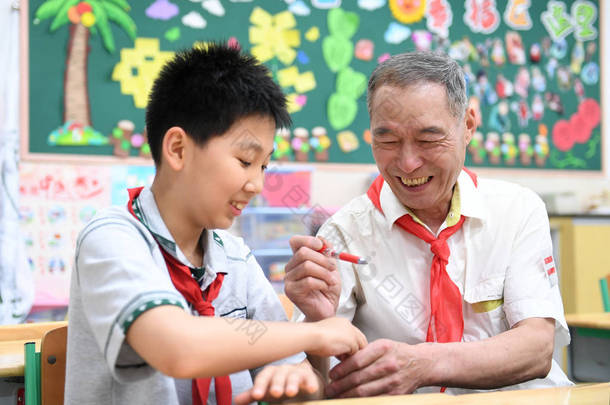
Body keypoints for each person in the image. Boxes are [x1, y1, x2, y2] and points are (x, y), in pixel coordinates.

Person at [64, 43, 366, 405]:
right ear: (177, 149)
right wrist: (313, 336)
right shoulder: (113, 238)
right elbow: (177, 348)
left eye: (264, 166)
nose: (257, 184)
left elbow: (305, 385)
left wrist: (296, 379)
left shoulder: (234, 257)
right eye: (245, 160)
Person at [284, 51, 572, 398]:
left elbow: (537, 349)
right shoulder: (345, 232)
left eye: (428, 139)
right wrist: (317, 327)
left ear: (467, 125)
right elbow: (319, 380)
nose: (407, 163)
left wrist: (423, 364)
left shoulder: (517, 210)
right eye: (387, 140)